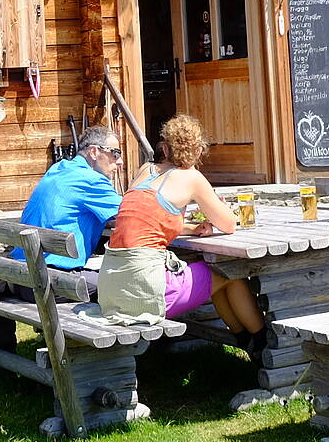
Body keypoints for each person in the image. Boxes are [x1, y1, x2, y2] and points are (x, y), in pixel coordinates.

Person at [92, 115, 267, 353]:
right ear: (198, 151)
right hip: (146, 292)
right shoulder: (191, 177)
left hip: (113, 286)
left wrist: (191, 229)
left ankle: (244, 339)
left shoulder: (145, 171)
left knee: (215, 277)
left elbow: (149, 221)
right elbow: (229, 224)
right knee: (230, 272)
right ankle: (261, 341)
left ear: (164, 147)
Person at [9, 125, 124, 284]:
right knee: (123, 287)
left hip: (21, 274)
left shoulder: (59, 168)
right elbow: (134, 212)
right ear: (93, 152)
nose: (120, 161)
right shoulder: (91, 179)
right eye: (115, 153)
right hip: (48, 279)